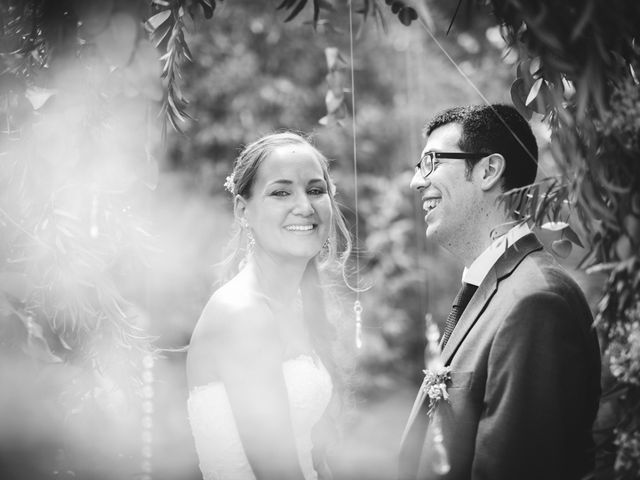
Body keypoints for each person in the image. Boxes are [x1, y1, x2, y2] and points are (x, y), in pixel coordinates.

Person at [398, 104, 601, 480]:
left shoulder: (536, 301)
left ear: (489, 170)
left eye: (430, 162)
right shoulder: (489, 290)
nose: (416, 182)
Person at [186, 131, 351, 480]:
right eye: (281, 192)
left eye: (316, 190)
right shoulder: (242, 314)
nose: (305, 207)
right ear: (243, 210)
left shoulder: (293, 306)